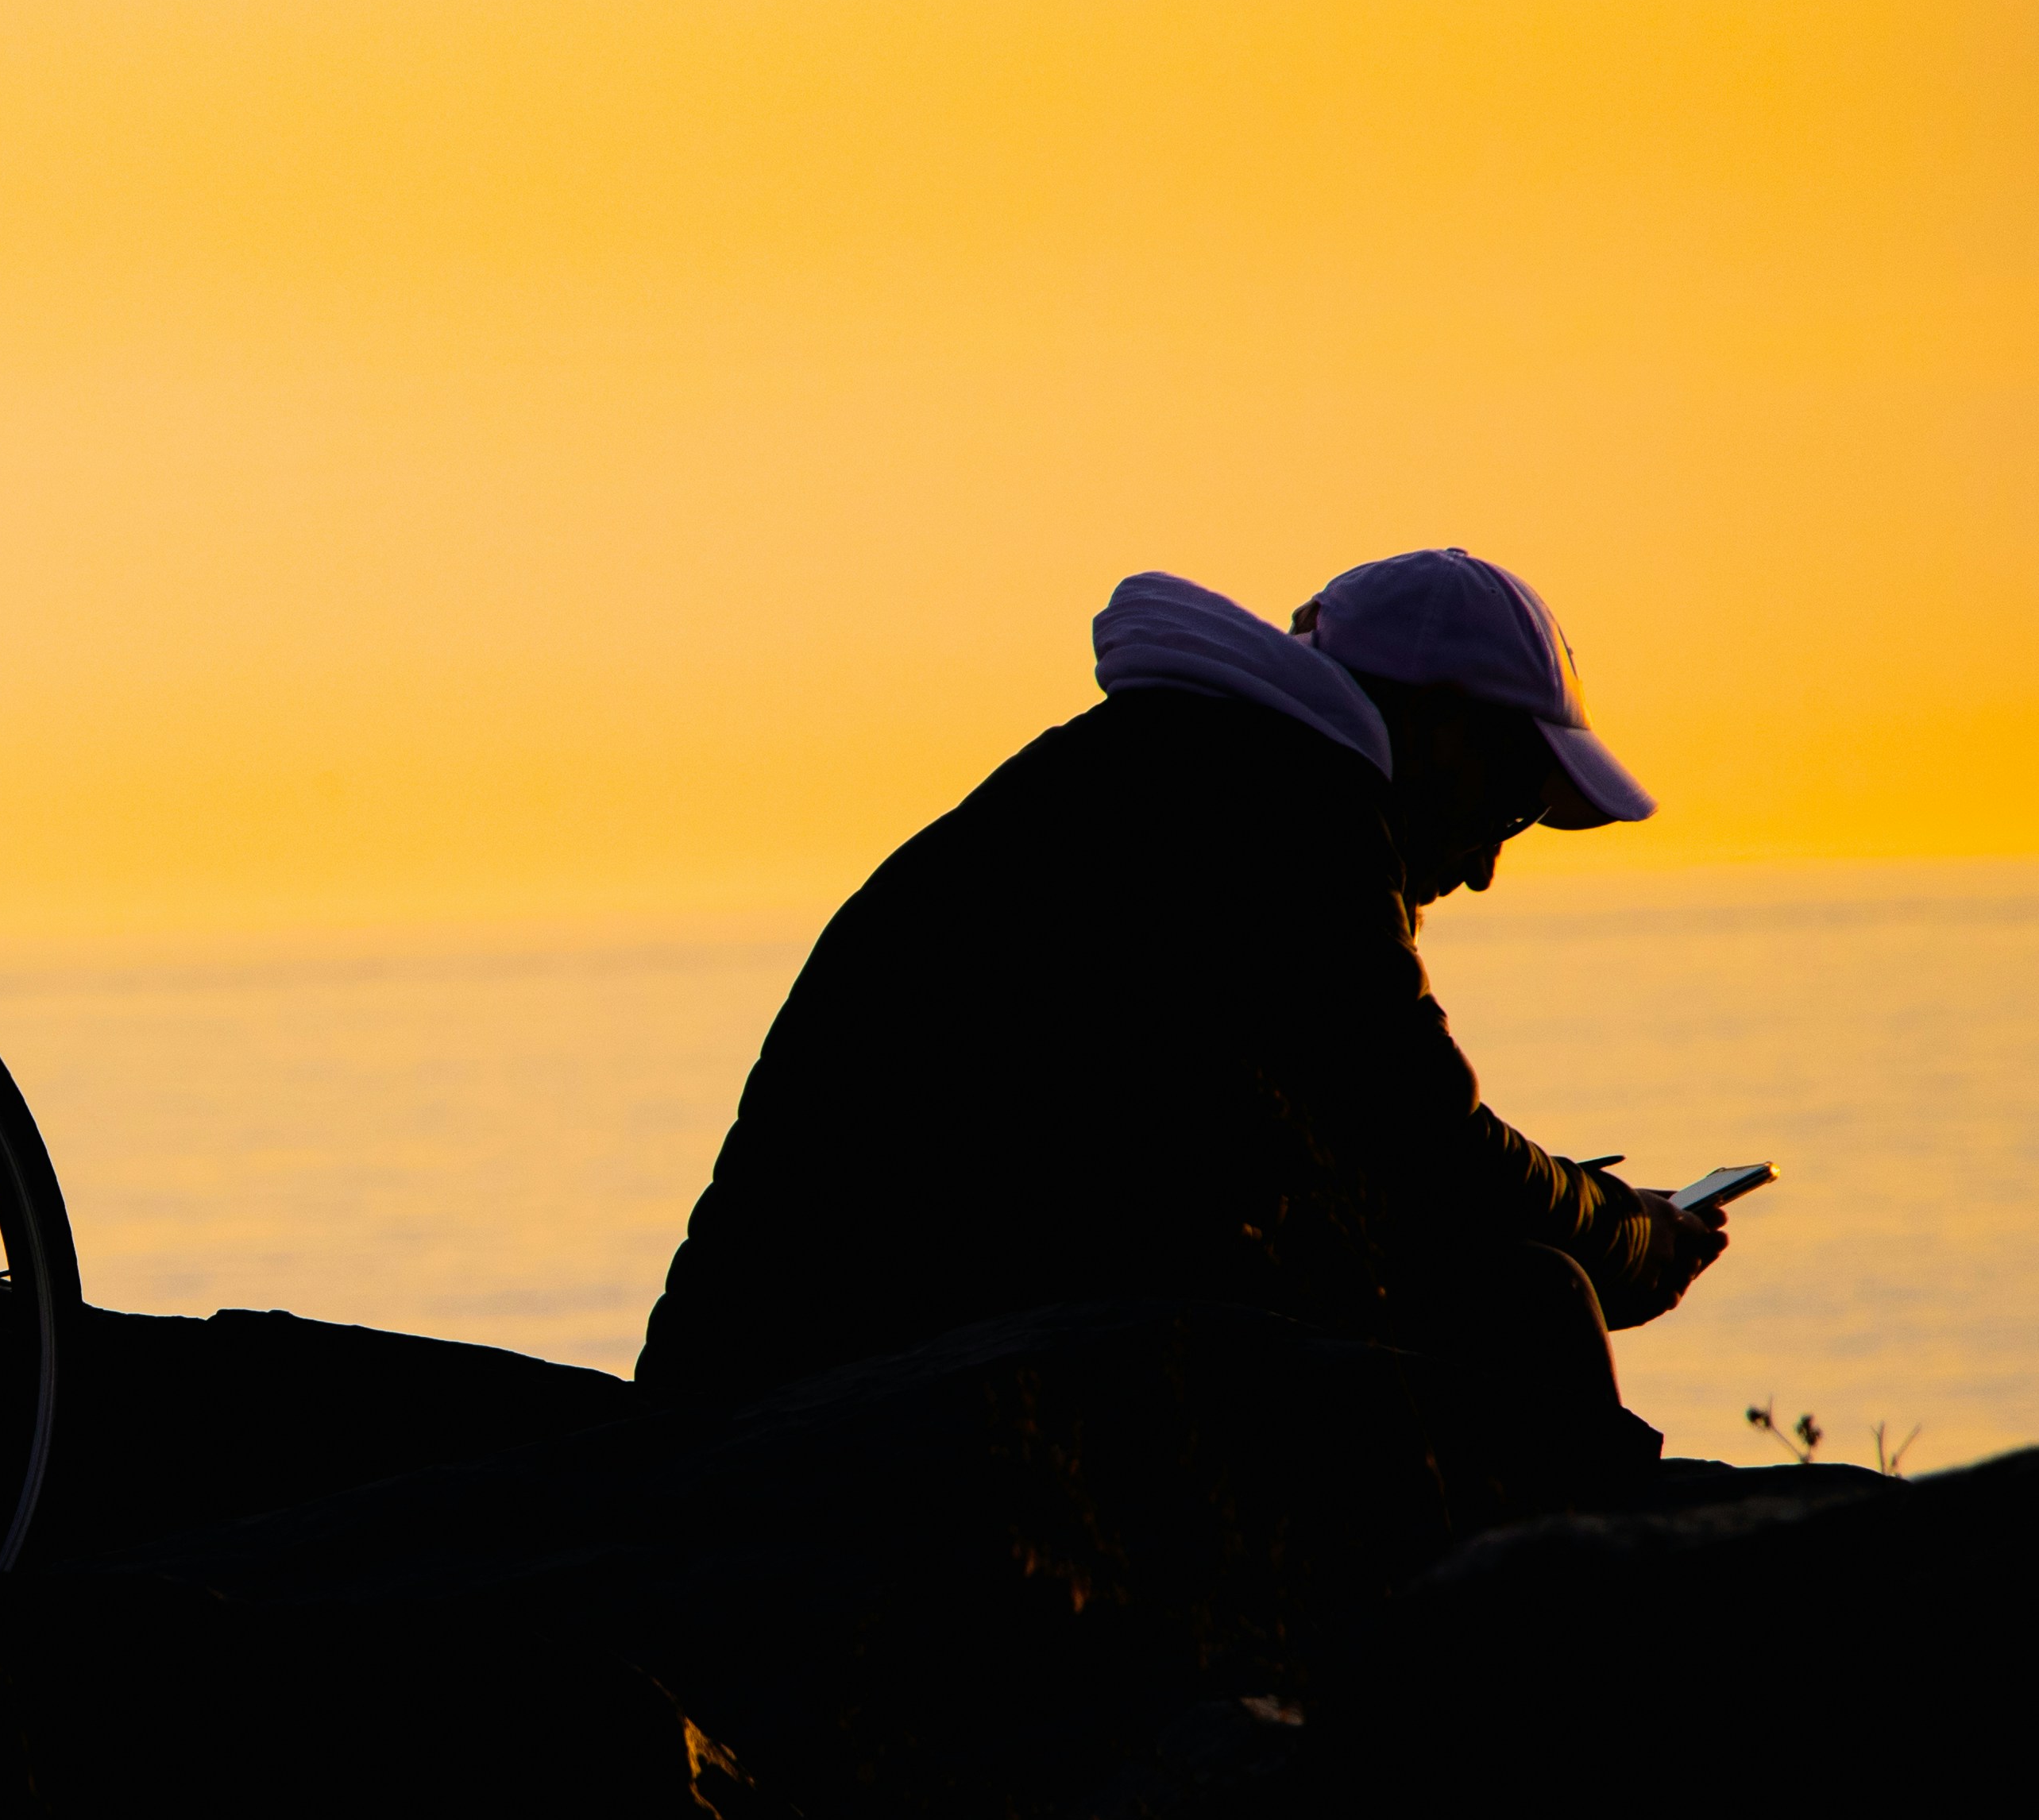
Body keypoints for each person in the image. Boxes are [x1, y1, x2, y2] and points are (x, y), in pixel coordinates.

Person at [633, 549, 1731, 1421]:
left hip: (789, 1344)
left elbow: (1302, 1151)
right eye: (1507, 808)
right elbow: (1422, 1155)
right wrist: (1627, 1239)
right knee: (1524, 1304)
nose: (1486, 869)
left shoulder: (1167, 768)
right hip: (846, 1373)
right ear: (1442, 733)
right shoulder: (1282, 816)